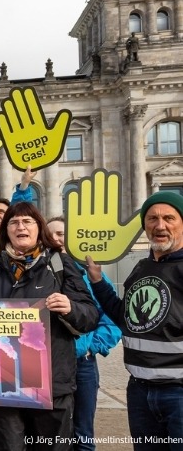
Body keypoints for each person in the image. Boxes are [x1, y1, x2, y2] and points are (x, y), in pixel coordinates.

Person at [0, 202, 98, 451]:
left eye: (27, 221)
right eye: (14, 222)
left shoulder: (59, 263)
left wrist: (70, 307)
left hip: (51, 384)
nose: (21, 227)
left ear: (39, 228)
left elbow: (90, 315)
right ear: (5, 230)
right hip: (3, 385)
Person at [86, 191, 183, 450]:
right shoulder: (140, 267)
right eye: (152, 218)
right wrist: (97, 281)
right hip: (139, 390)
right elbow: (125, 318)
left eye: (168, 218)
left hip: (179, 393)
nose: (160, 225)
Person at [46, 216, 121, 451]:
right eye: (50, 236)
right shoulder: (43, 273)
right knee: (51, 431)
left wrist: (92, 345)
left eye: (61, 234)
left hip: (82, 363)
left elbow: (112, 318)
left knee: (82, 433)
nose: (56, 240)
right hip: (49, 364)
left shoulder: (92, 274)